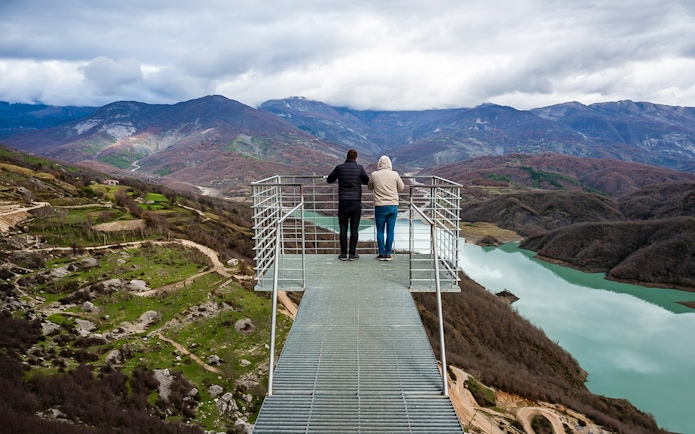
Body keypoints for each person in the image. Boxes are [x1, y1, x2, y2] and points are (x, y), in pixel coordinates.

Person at [327, 149, 369, 261]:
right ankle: (352, 254)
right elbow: (367, 181)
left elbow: (329, 180)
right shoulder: (359, 168)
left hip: (343, 202)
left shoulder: (339, 168)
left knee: (343, 228)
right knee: (354, 228)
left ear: (346, 157)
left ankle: (343, 254)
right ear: (356, 158)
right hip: (355, 202)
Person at [368, 155, 404, 261]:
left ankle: (381, 253)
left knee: (380, 231)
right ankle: (388, 253)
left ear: (379, 164)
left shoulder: (375, 175)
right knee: (390, 231)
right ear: (390, 164)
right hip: (393, 206)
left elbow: (370, 187)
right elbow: (401, 187)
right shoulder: (395, 174)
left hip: (380, 206)